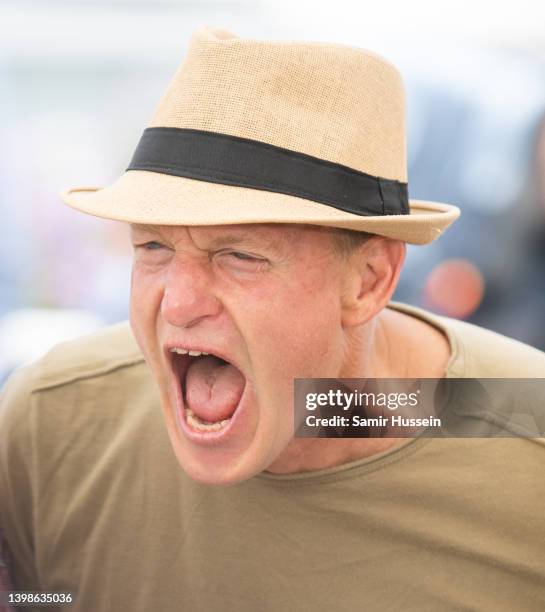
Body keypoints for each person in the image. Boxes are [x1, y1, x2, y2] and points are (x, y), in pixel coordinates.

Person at [1, 26, 545, 612]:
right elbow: (45, 597)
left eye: (240, 256)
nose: (179, 305)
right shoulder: (51, 420)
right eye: (152, 247)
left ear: (367, 281)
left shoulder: (524, 443)